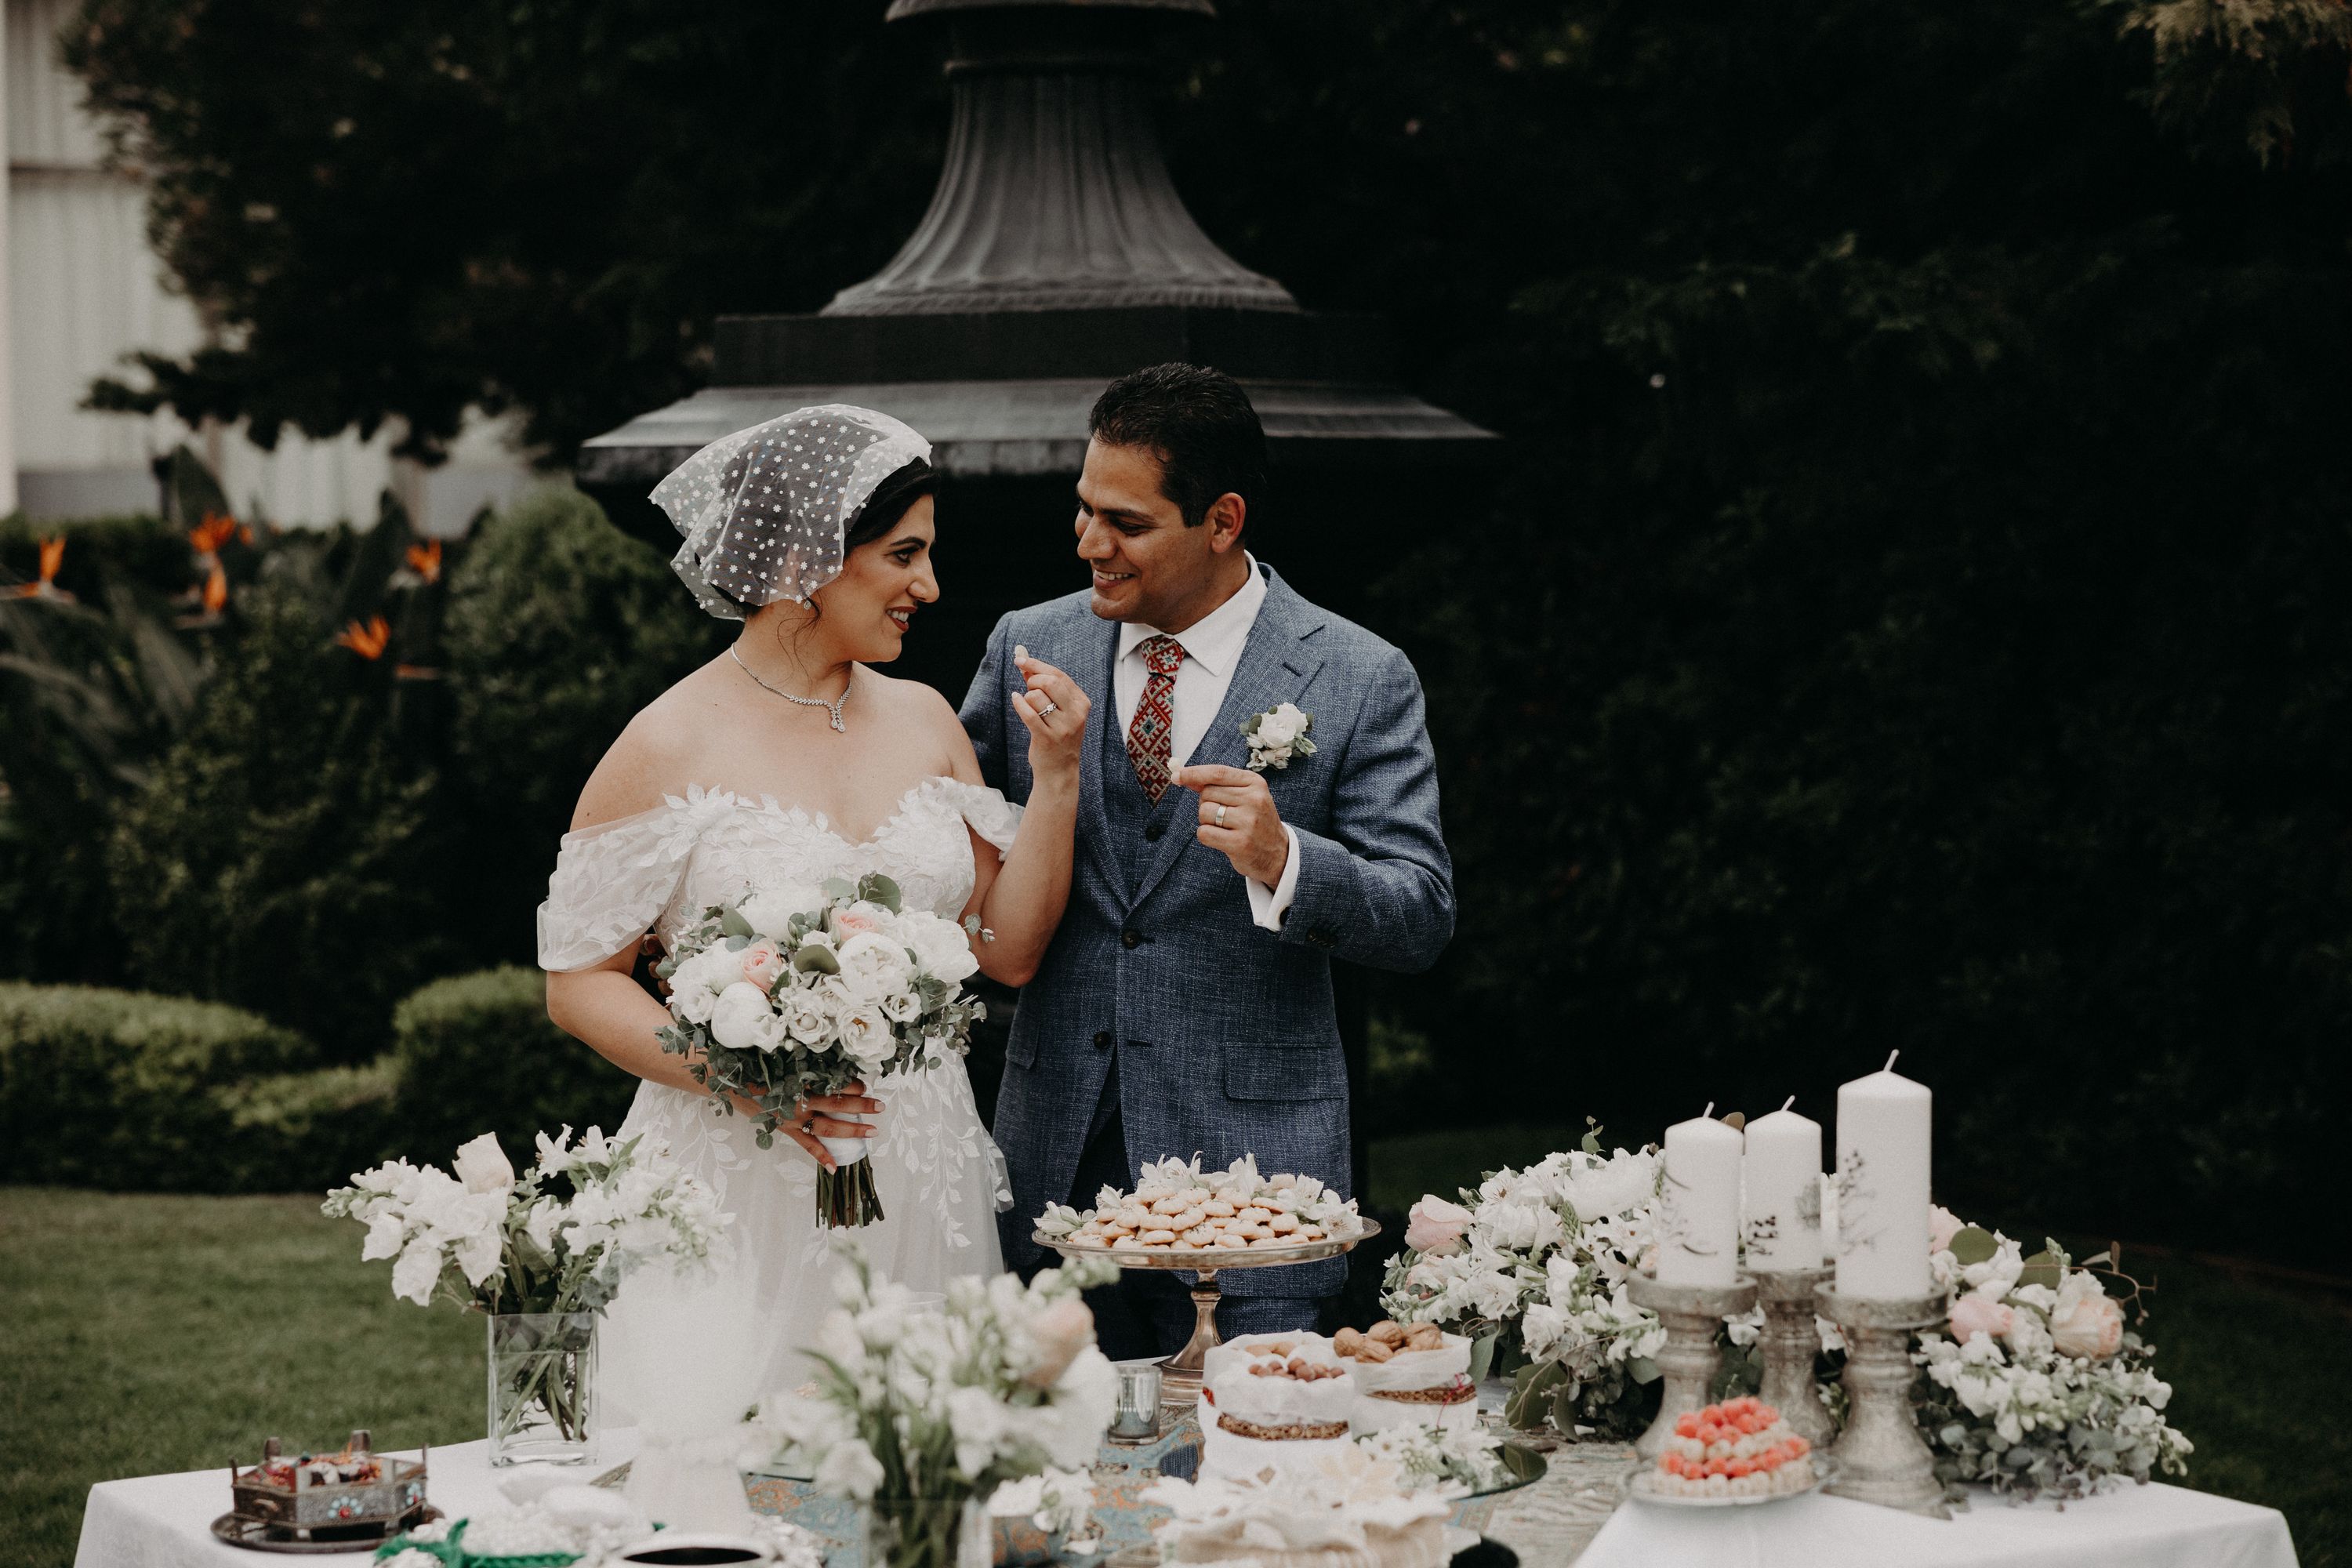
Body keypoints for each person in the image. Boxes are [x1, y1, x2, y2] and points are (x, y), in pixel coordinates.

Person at [537, 405, 1091, 1417]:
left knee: (925, 1457)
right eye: (903, 554)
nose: (929, 586)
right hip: (740, 1168)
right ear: (807, 556)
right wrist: (741, 1080)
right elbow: (578, 984)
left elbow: (1006, 951)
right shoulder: (666, 743)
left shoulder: (925, 720)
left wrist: (1056, 782)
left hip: (922, 1161)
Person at [962, 364, 1455, 1357]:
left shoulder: (1359, 674)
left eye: (1127, 523)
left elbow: (1421, 912)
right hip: (1055, 1163)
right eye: (1083, 510)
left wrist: (1285, 857)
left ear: (1223, 519)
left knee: (1247, 1465)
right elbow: (948, 863)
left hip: (1258, 1192)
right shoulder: (1029, 642)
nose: (1088, 542)